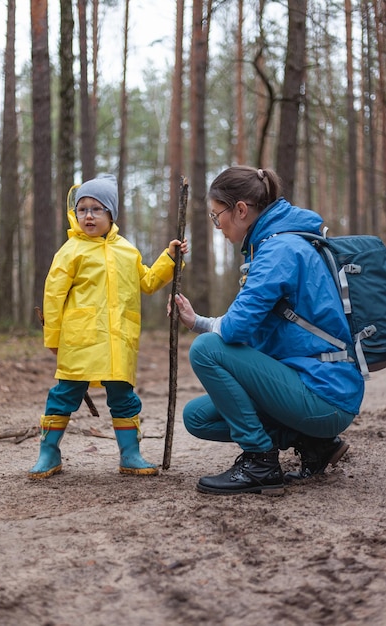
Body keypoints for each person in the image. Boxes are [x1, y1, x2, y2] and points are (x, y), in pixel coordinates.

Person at [172, 165, 364, 495]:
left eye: (217, 217)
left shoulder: (279, 251)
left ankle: (260, 462)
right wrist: (196, 321)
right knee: (197, 417)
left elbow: (234, 331)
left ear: (241, 210)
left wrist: (202, 328)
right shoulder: (273, 246)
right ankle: (313, 443)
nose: (217, 227)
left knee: (205, 350)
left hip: (325, 393)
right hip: (308, 385)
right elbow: (246, 330)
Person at [29, 174, 187, 480]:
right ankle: (49, 452)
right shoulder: (70, 251)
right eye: (82, 209)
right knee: (64, 394)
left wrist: (170, 258)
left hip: (118, 341)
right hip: (80, 340)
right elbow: (53, 296)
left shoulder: (128, 251)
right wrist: (54, 337)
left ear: (111, 214)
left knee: (123, 396)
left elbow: (148, 282)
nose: (88, 215)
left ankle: (131, 454)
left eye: (96, 209)